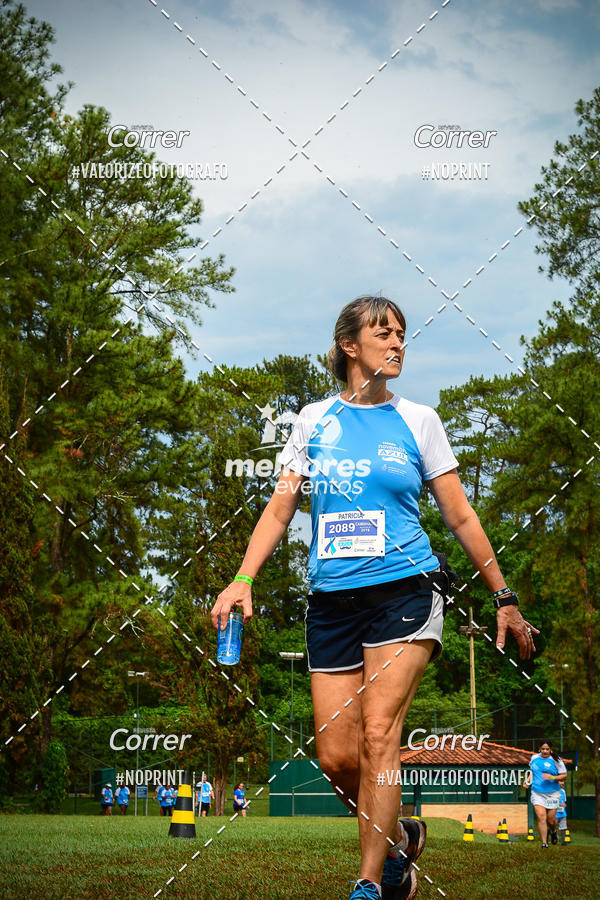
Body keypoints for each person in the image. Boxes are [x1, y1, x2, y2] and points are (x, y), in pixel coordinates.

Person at [212, 296, 540, 900]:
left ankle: (371, 882)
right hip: (332, 601)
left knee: (378, 733)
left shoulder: (420, 421)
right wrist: (243, 578)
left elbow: (461, 516)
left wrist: (504, 596)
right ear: (349, 346)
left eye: (402, 335)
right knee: (336, 757)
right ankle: (400, 838)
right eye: (382, 334)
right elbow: (282, 504)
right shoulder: (313, 421)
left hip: (406, 591)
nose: (397, 344)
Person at [525, 738, 567, 847]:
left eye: (547, 749)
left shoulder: (556, 760)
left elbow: (564, 776)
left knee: (551, 820)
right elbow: (533, 772)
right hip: (537, 793)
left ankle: (553, 832)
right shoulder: (534, 758)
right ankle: (544, 843)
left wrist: (552, 777)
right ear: (539, 749)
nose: (544, 751)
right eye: (543, 749)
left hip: (553, 793)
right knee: (541, 816)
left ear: (550, 749)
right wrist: (527, 781)